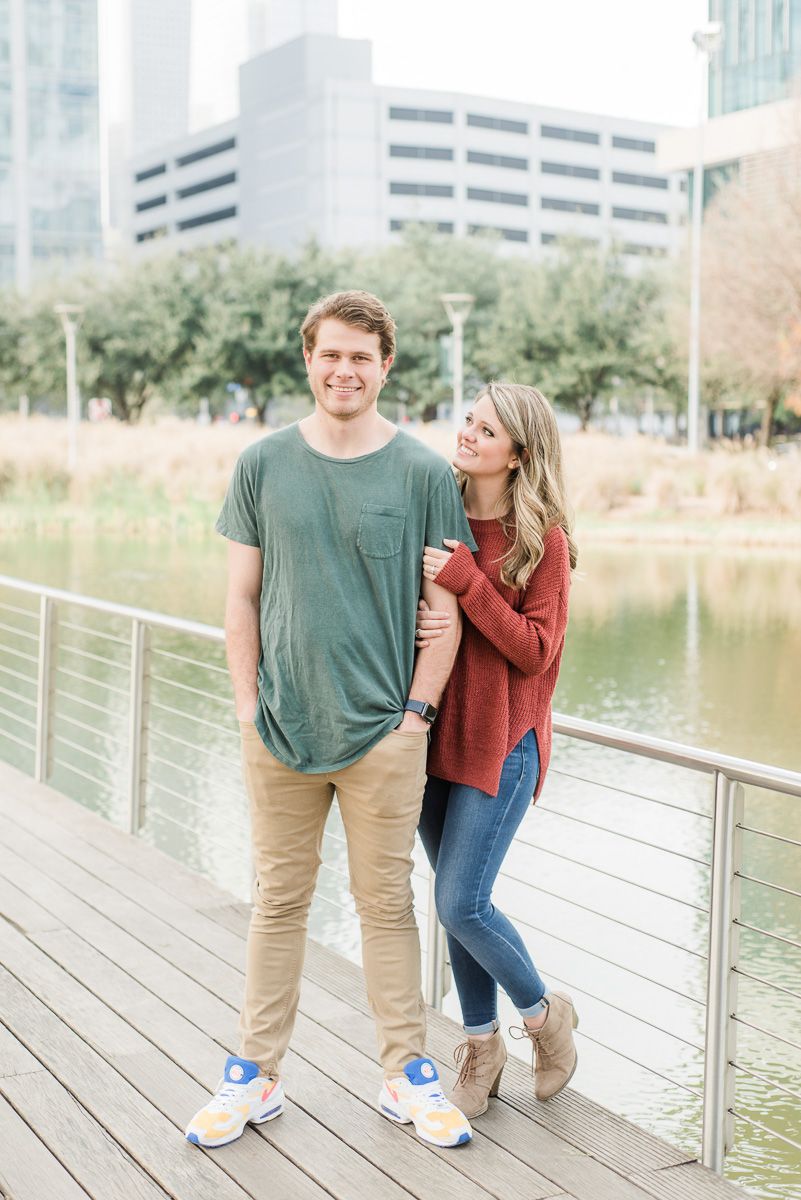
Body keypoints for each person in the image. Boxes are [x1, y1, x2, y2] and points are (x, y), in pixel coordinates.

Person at [185, 290, 477, 1151]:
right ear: (307, 359)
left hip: (385, 734)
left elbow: (444, 612)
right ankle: (254, 1076)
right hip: (278, 729)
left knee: (385, 904)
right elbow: (240, 599)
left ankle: (406, 1076)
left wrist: (416, 714)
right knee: (278, 901)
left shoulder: (423, 473)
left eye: (362, 356)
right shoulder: (262, 464)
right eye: (330, 353)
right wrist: (247, 708)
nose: (344, 369)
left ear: (386, 365)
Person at [413, 381, 577, 1119]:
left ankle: (544, 1018)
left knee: (460, 899)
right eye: (468, 421)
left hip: (503, 744)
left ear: (519, 454)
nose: (468, 434)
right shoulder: (435, 510)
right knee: (454, 907)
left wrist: (468, 583)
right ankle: (481, 1044)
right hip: (429, 738)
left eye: (487, 429)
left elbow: (536, 652)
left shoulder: (544, 542)